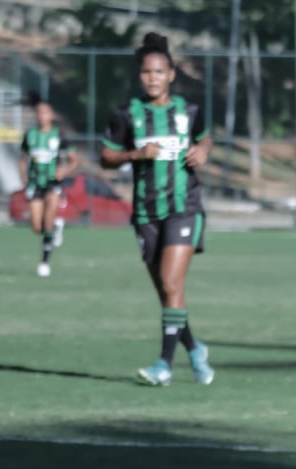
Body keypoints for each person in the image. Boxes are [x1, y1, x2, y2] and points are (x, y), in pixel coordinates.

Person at [100, 32, 214, 387]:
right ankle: (194, 349)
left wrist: (204, 151)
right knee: (168, 294)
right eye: (147, 72)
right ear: (140, 76)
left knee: (171, 281)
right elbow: (105, 157)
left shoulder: (189, 110)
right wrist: (135, 154)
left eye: (159, 72)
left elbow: (204, 135)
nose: (153, 78)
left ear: (171, 74)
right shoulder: (126, 114)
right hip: (146, 212)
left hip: (185, 207)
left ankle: (164, 365)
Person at [18, 93, 78, 277]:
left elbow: (74, 160)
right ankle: (56, 228)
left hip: (53, 183)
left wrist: (64, 171)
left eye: (45, 112)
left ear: (52, 115)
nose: (42, 116)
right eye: (39, 112)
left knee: (49, 218)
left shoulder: (59, 136)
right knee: (37, 226)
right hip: (36, 183)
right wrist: (23, 176)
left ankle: (44, 262)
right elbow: (22, 159)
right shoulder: (30, 135)